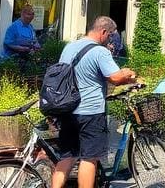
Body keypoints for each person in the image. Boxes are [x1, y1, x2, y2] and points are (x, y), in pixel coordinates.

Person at [51, 16, 137, 188]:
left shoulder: (69, 47)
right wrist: (127, 74)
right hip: (90, 112)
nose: (111, 39)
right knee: (89, 158)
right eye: (111, 35)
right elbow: (114, 77)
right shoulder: (100, 51)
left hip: (68, 110)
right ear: (103, 32)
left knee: (67, 156)